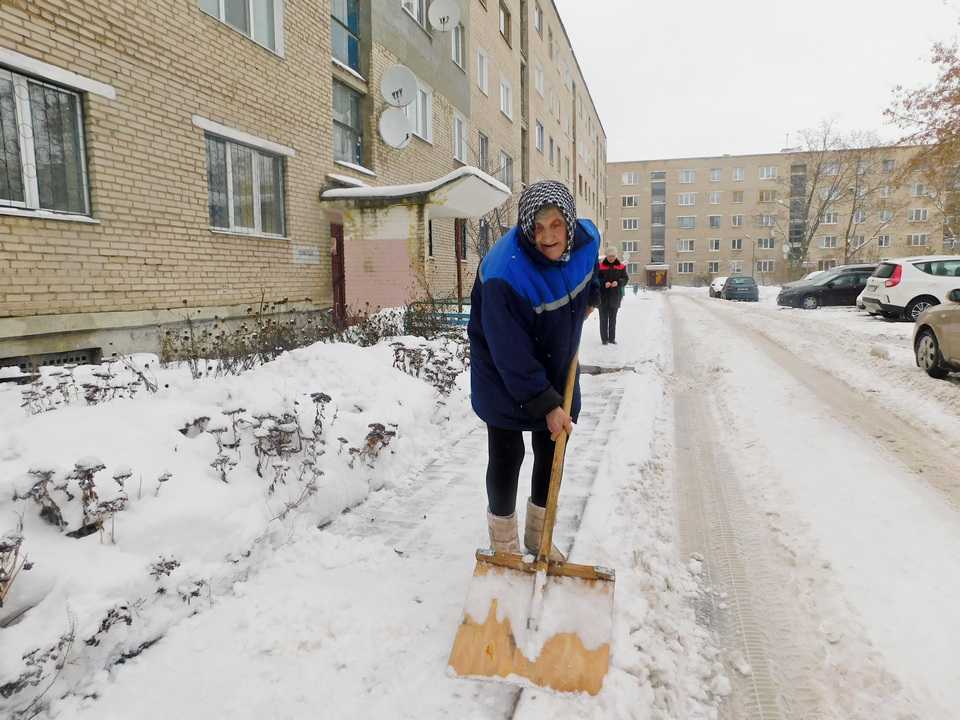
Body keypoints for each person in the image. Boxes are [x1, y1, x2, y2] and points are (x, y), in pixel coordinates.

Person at [467, 181, 600, 558]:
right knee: (508, 454)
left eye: (556, 224)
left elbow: (588, 272)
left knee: (552, 449)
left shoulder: (585, 241)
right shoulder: (503, 275)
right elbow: (511, 353)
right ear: (526, 227)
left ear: (569, 223)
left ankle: (539, 538)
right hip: (503, 370)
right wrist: (546, 404)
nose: (547, 236)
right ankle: (505, 547)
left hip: (557, 362)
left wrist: (590, 297)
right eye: (537, 227)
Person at [597, 247, 629, 345]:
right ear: (606, 256)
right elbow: (596, 279)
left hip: (615, 297)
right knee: (603, 320)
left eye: (613, 256)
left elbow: (625, 279)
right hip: (603, 297)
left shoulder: (621, 267)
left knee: (612, 320)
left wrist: (618, 282)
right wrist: (603, 283)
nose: (611, 258)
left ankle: (612, 339)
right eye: (610, 256)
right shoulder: (600, 266)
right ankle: (604, 339)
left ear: (616, 256)